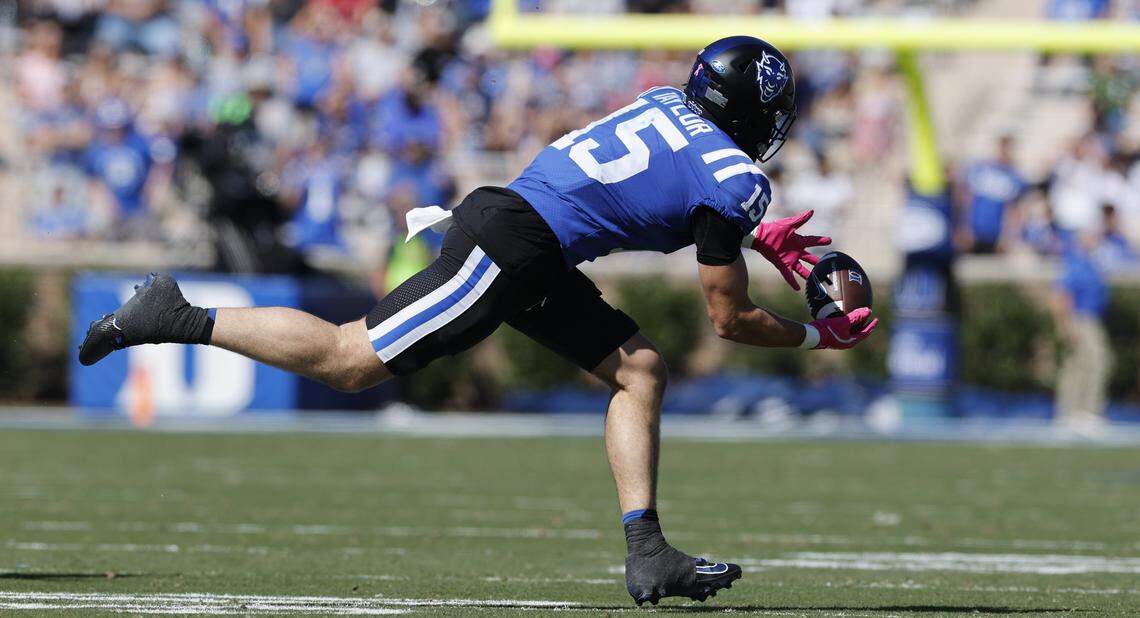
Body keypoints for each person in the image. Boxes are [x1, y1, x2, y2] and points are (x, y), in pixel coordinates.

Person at [78, 36, 878, 606]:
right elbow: (729, 318)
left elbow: (666, 183)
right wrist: (817, 333)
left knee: (638, 370)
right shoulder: (736, 176)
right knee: (350, 360)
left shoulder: (665, 103)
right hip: (514, 245)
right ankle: (177, 315)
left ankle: (648, 552)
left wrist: (749, 231)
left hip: (526, 235)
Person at [1052, 231, 1113, 430]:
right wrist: (1066, 324)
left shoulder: (1092, 262)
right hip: (1081, 319)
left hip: (1091, 319)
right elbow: (1062, 295)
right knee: (1096, 362)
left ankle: (1072, 412)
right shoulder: (1076, 263)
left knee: (1078, 365)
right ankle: (1086, 411)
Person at [958, 136, 1027, 254]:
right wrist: (964, 227)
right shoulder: (979, 170)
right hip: (974, 233)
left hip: (996, 236)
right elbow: (966, 200)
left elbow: (1013, 210)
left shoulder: (1014, 177)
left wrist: (1007, 237)